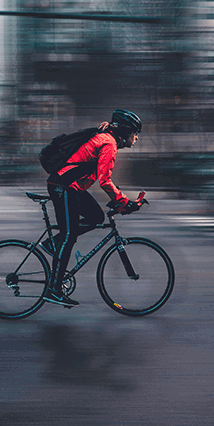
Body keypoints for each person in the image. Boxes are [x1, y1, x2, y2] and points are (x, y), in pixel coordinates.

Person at [42, 108, 144, 307]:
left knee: (97, 217)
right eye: (136, 133)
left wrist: (120, 200)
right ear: (125, 132)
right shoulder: (109, 143)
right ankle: (53, 289)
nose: (137, 138)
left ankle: (54, 243)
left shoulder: (106, 138)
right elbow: (105, 180)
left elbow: (103, 178)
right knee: (69, 236)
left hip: (70, 186)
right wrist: (123, 202)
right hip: (63, 186)